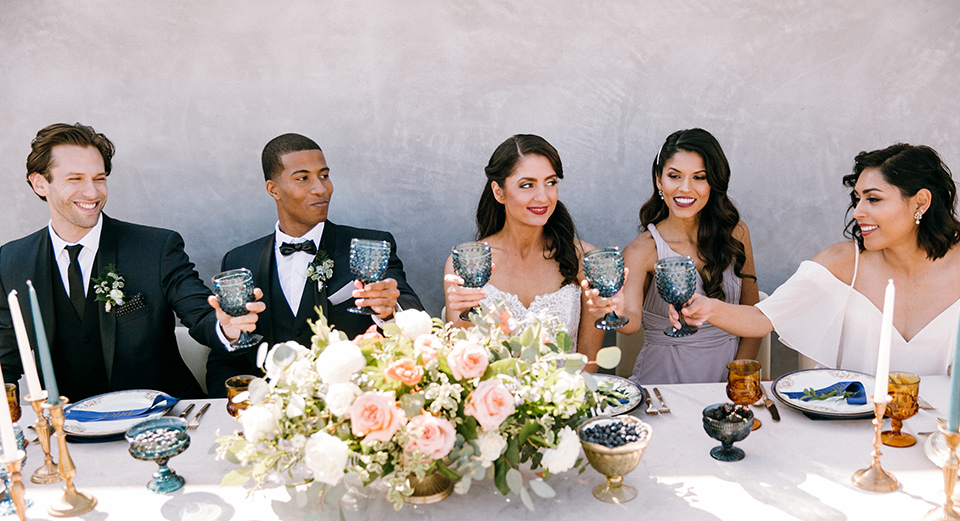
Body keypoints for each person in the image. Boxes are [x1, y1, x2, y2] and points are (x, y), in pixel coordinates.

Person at [0, 122, 263, 401]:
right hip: (69, 433)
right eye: (75, 179)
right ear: (40, 184)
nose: (92, 193)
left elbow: (201, 315)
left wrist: (228, 328)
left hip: (166, 420)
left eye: (99, 178)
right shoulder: (11, 261)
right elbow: (5, 359)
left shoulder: (157, 248)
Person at [674, 143, 960, 376]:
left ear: (920, 202)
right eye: (857, 198)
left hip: (941, 434)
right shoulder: (844, 262)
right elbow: (761, 319)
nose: (858, 211)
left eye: (873, 199)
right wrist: (707, 307)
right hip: (854, 427)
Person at [205, 133, 423, 395]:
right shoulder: (240, 261)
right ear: (273, 189)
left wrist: (389, 311)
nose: (321, 188)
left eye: (324, 175)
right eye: (303, 178)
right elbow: (225, 361)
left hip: (352, 407)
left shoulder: (371, 244)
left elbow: (414, 315)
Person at [586, 128, 759, 384]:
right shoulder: (641, 250)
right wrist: (614, 308)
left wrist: (738, 376)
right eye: (674, 176)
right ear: (659, 180)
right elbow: (631, 323)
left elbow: (754, 313)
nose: (685, 189)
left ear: (713, 182)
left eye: (699, 177)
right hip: (662, 383)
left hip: (727, 382)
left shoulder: (736, 233)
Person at [444, 134, 603, 362]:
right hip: (493, 395)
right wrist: (464, 313)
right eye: (527, 185)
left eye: (551, 182)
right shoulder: (465, 262)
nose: (543, 197)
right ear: (499, 192)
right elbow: (461, 357)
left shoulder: (584, 258)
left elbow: (590, 360)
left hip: (568, 394)